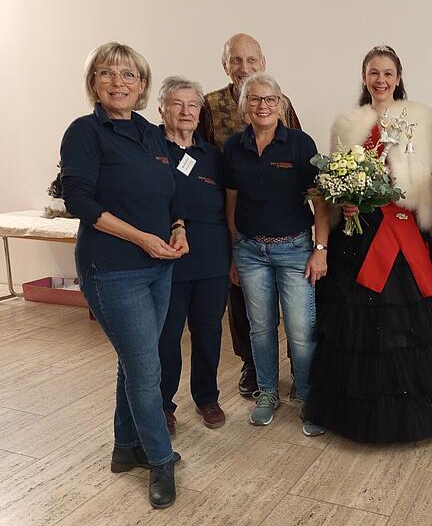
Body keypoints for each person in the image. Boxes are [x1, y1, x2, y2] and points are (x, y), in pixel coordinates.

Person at [303, 45, 432, 443]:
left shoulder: (423, 118)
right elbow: (334, 181)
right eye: (373, 72)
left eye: (388, 72)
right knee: (359, 329)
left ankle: (421, 411)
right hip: (360, 236)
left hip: (406, 232)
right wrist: (346, 199)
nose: (380, 80)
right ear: (364, 77)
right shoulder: (346, 124)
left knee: (414, 324)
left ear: (399, 77)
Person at [60, 42, 186, 509]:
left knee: (137, 360)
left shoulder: (152, 135)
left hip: (159, 265)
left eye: (129, 75)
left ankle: (125, 448)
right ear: (94, 81)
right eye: (108, 73)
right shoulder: (84, 133)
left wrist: (177, 228)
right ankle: (159, 459)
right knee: (146, 368)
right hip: (112, 269)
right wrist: (140, 238)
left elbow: (169, 192)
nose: (119, 82)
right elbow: (81, 202)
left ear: (142, 86)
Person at [223, 71, 329, 435]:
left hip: (296, 250)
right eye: (254, 99)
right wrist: (236, 250)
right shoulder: (234, 147)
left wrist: (320, 248)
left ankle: (308, 396)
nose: (263, 105)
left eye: (270, 99)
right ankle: (267, 393)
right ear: (244, 107)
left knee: (301, 330)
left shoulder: (300, 144)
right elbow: (231, 202)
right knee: (261, 328)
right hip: (250, 253)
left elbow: (320, 202)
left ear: (281, 104)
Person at [199, 33, 302, 398]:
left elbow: (300, 153)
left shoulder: (280, 101)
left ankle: (299, 368)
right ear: (225, 64)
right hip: (232, 218)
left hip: (285, 223)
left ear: (263, 61)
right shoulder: (208, 105)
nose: (244, 67)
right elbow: (195, 156)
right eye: (236, 60)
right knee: (242, 297)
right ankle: (252, 366)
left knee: (295, 306)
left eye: (251, 60)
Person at [157, 76, 230, 437]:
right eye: (177, 104)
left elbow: (228, 206)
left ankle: (206, 396)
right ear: (162, 109)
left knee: (208, 331)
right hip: (166, 258)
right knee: (167, 336)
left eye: (192, 106)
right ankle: (163, 404)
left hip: (212, 258)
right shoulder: (150, 148)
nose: (186, 112)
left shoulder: (213, 155)